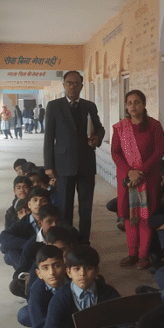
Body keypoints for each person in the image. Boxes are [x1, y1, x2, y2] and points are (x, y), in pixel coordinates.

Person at [43, 71, 105, 244]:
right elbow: (49, 137)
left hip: (86, 164)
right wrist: (49, 165)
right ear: (64, 85)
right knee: (64, 207)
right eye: (69, 83)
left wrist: (97, 138)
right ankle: (66, 241)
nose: (72, 86)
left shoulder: (89, 106)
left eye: (76, 83)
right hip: (64, 165)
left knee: (86, 207)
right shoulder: (54, 106)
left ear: (81, 86)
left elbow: (100, 128)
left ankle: (84, 241)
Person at [111, 89, 164, 271]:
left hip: (147, 178)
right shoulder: (120, 128)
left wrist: (139, 172)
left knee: (144, 216)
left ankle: (143, 256)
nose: (133, 106)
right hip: (127, 180)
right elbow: (115, 153)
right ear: (126, 106)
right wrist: (129, 173)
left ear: (144, 104)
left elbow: (159, 152)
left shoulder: (154, 126)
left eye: (137, 102)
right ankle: (132, 253)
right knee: (129, 216)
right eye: (129, 103)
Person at [17, 244, 68, 328]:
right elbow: (39, 325)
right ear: (38, 273)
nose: (52, 273)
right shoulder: (37, 289)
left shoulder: (73, 283)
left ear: (65, 266)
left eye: (56, 265)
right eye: (45, 268)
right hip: (51, 326)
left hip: (71, 326)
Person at [0, 187, 49, 267]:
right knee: (5, 247)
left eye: (43, 201)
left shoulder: (53, 219)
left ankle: (24, 272)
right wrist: (28, 245)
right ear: (29, 204)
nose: (38, 204)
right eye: (35, 200)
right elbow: (3, 236)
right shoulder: (24, 222)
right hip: (31, 255)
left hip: (49, 255)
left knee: (7, 253)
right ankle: (26, 272)